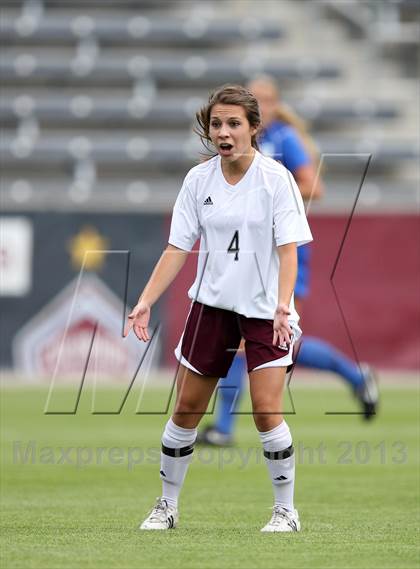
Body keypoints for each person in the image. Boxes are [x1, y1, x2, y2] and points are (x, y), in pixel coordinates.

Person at [125, 84, 312, 532]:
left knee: (267, 411)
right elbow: (177, 247)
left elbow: (288, 250)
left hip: (266, 310)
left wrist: (285, 307)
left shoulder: (275, 178)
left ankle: (285, 511)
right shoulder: (198, 180)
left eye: (234, 124)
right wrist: (145, 301)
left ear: (253, 128)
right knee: (186, 410)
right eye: (216, 124)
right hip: (211, 307)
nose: (224, 132)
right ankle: (166, 507)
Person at [198, 75, 378, 447]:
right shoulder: (238, 147)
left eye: (267, 100)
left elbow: (314, 187)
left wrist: (268, 192)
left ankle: (224, 428)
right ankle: (357, 377)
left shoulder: (284, 140)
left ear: (275, 107)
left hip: (282, 252)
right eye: (255, 99)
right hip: (248, 252)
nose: (260, 106)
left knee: (258, 339)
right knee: (268, 340)